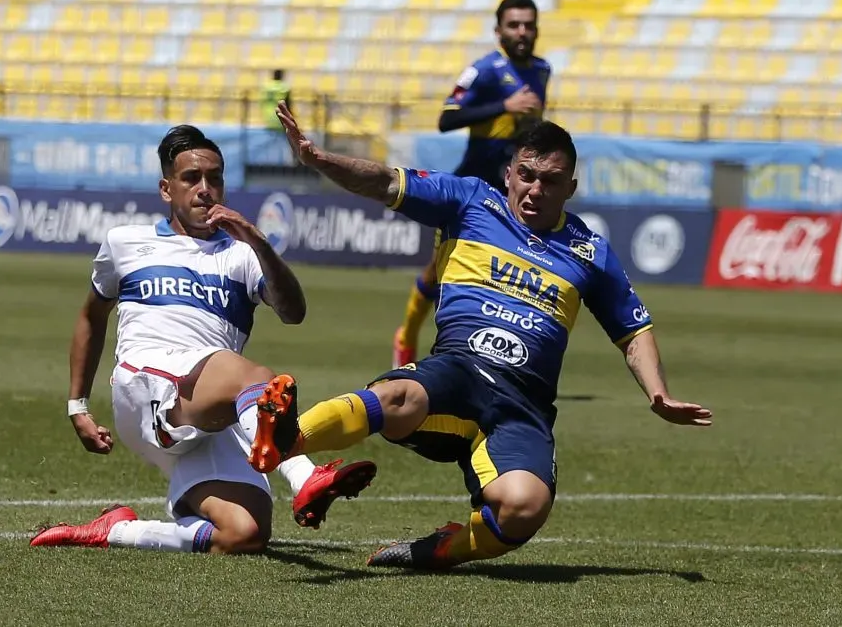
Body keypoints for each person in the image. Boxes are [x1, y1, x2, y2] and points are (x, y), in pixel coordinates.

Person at [247, 103, 713, 570]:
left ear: (570, 188)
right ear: (509, 173)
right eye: (526, 174)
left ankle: (441, 549)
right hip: (457, 372)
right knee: (397, 396)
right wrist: (320, 159)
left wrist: (658, 394)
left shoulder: (590, 252)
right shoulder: (469, 200)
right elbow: (387, 183)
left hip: (522, 404)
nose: (535, 189)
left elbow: (633, 331)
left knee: (525, 506)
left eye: (550, 181)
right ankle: (286, 442)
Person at [30, 125, 376, 554]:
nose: (205, 189)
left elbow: (293, 313)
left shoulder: (242, 254)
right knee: (256, 377)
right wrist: (76, 405)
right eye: (191, 178)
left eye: (215, 178)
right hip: (146, 388)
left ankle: (118, 529)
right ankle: (305, 475)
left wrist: (260, 242)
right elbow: (91, 316)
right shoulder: (125, 242)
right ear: (166, 188)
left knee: (244, 534)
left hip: (212, 408)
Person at [392, 0, 550, 369]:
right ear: (499, 31)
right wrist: (504, 107)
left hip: (514, 188)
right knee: (440, 271)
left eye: (528, 24)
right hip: (472, 187)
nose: (522, 31)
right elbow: (446, 118)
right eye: (514, 25)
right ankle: (408, 334)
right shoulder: (484, 70)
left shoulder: (542, 70)